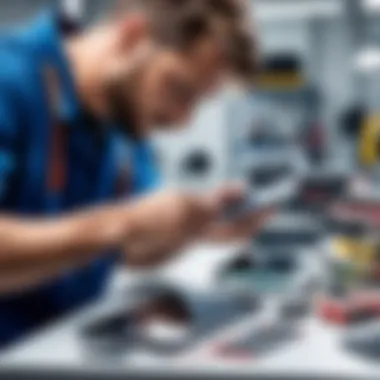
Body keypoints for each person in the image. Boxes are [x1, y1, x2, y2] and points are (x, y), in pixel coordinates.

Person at [0, 0, 268, 347]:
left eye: (198, 103)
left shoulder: (122, 124)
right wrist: (120, 224)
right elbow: (119, 229)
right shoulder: (10, 79)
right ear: (132, 34)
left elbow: (130, 249)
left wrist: (195, 227)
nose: (181, 120)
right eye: (179, 90)